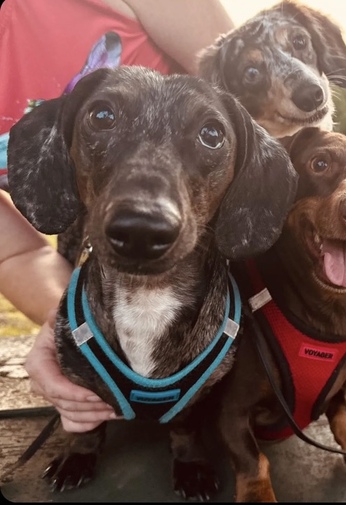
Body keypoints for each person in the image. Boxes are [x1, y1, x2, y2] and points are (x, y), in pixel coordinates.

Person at [0, 0, 234, 433]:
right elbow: (12, 255)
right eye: (103, 117)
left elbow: (256, 106)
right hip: (93, 262)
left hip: (216, 274)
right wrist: (66, 325)